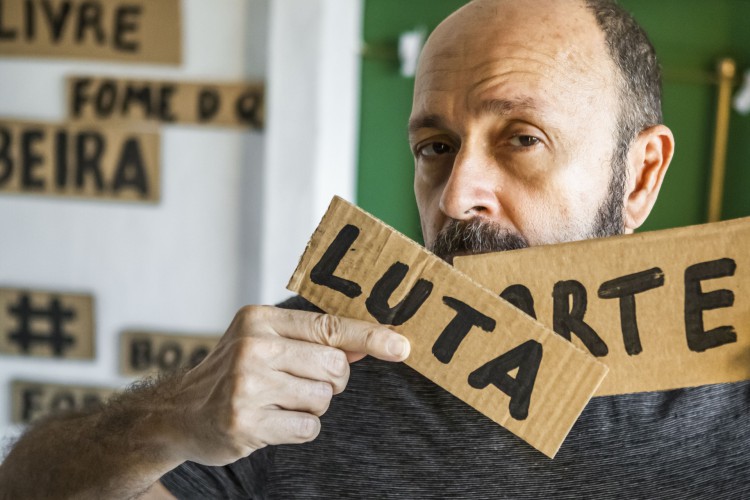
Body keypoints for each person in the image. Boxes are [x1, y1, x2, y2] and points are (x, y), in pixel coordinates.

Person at [2, 0, 748, 497]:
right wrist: (164, 417)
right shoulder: (318, 355)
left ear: (639, 176)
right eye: (436, 147)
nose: (456, 197)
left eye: (522, 139)